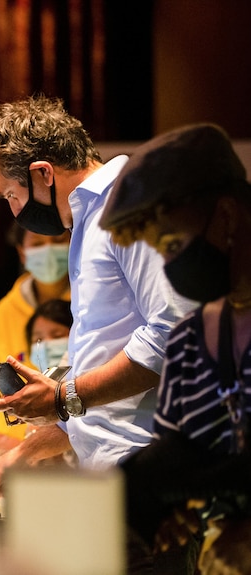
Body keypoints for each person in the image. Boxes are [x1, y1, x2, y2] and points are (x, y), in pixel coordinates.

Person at [0, 95, 195, 506]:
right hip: (112, 477)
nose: (14, 211)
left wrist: (63, 397)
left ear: (42, 173)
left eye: (11, 194)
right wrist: (21, 455)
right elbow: (105, 377)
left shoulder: (128, 205)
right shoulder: (87, 220)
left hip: (151, 479)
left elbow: (172, 335)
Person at [100, 123, 251, 574]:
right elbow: (182, 463)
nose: (170, 267)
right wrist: (176, 508)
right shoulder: (189, 343)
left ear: (226, 215)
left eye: (173, 244)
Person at [0, 223, 71, 440]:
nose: (48, 250)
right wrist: (28, 440)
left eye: (58, 241)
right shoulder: (4, 314)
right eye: (38, 244)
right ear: (22, 252)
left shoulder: (92, 301)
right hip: (25, 441)